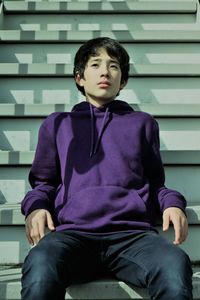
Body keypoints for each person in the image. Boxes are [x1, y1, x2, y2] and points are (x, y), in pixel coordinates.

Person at [21, 37, 193, 300]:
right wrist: (36, 207)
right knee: (40, 264)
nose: (104, 71)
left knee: (174, 264)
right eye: (95, 64)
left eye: (113, 66)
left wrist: (172, 203)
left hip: (132, 237)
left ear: (122, 80)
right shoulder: (58, 124)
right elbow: (44, 183)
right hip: (73, 236)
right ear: (79, 77)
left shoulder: (141, 124)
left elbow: (156, 182)